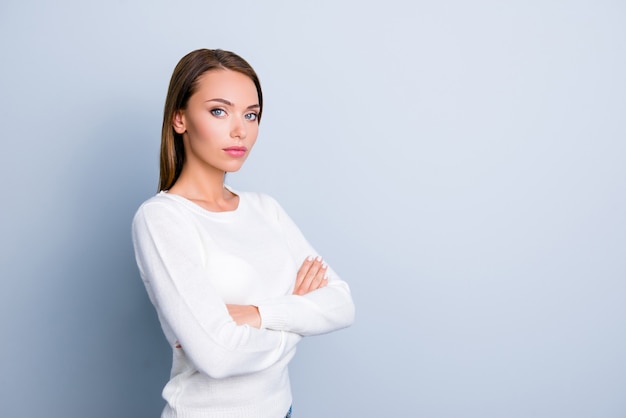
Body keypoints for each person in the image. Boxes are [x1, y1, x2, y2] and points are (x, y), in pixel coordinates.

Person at [131, 48, 355, 418]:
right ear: (180, 118)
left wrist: (255, 314)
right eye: (219, 111)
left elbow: (342, 304)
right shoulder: (162, 219)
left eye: (251, 115)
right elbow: (219, 356)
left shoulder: (265, 208)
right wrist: (299, 319)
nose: (241, 130)